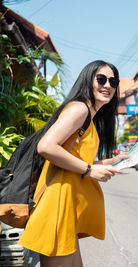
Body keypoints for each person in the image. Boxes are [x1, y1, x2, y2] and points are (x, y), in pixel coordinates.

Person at [18, 60, 129, 267]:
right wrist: (89, 170)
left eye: (113, 81)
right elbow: (46, 146)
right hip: (58, 204)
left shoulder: (89, 116)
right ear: (88, 80)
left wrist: (109, 161)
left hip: (67, 207)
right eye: (101, 79)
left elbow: (74, 158)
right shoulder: (79, 109)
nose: (108, 85)